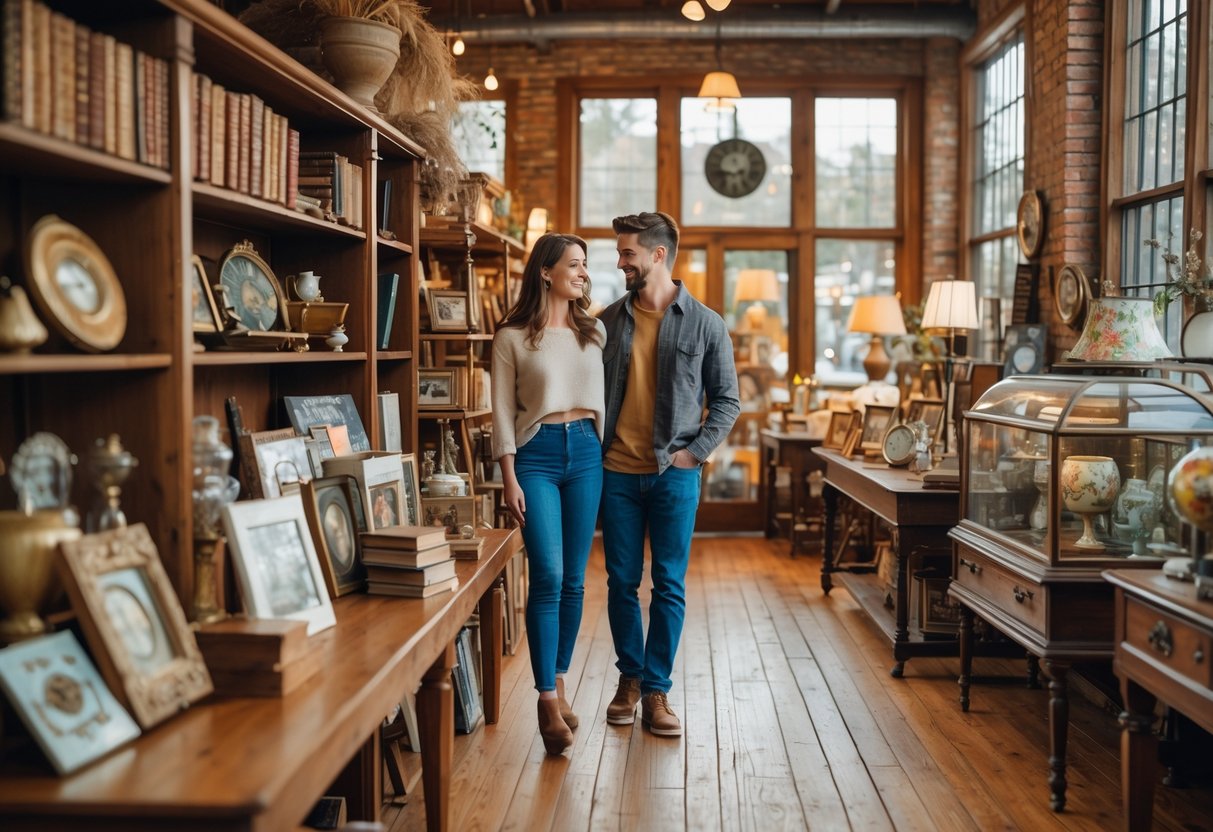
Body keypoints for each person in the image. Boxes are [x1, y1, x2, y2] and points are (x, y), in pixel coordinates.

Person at [599, 211, 740, 737]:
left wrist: (694, 454)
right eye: (619, 253)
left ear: (658, 255)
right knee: (620, 582)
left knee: (669, 584)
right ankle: (629, 679)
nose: (620, 262)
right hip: (615, 472)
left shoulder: (706, 323)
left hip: (674, 475)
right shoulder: (608, 320)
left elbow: (727, 401)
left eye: (627, 254)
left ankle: (657, 690)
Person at [491, 232, 606, 755]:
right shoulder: (511, 336)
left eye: (585, 265)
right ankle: (543, 698)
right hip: (535, 455)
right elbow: (499, 412)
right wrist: (508, 476)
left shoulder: (595, 331)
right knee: (550, 574)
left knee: (577, 581)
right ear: (546, 271)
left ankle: (559, 682)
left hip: (586, 452)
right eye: (574, 264)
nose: (583, 273)